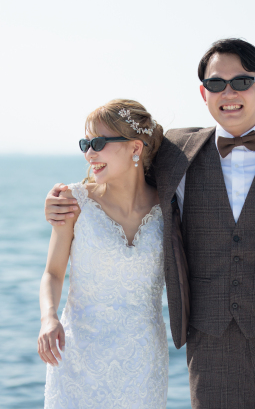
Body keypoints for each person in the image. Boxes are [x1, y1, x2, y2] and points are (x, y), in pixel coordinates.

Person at [45, 39, 255, 409]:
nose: (229, 93)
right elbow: (120, 168)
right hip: (211, 348)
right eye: (217, 84)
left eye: (242, 82)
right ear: (203, 93)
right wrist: (61, 201)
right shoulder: (176, 155)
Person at [38, 99, 169, 408]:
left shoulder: (170, 207)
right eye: (86, 143)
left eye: (98, 143)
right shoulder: (73, 201)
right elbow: (53, 273)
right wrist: (48, 318)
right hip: (77, 359)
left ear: (135, 148)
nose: (89, 154)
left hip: (143, 364)